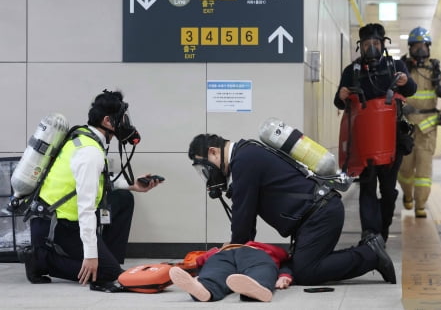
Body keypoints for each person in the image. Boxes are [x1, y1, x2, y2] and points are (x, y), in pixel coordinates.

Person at [187, 133, 397, 285]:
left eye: (204, 167)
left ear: (213, 152)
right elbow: (246, 221)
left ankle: (371, 254)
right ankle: (367, 252)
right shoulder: (247, 153)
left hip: (320, 214)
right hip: (317, 214)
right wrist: (239, 246)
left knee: (306, 272)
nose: (207, 175)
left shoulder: (243, 161)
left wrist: (232, 251)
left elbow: (243, 218)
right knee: (295, 268)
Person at [20, 89, 162, 291]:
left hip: (61, 217)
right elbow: (85, 208)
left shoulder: (84, 137)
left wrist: (133, 185)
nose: (126, 125)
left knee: (123, 198)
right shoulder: (90, 152)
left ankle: (109, 258)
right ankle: (40, 259)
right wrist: (91, 255)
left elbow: (97, 181)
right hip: (57, 224)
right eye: (122, 119)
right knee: (108, 274)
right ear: (107, 121)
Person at [334, 23, 417, 242]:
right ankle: (370, 233)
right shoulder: (351, 71)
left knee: (388, 189)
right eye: (367, 44)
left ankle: (384, 225)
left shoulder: (395, 66)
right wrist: (341, 95)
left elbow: (411, 89)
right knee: (368, 187)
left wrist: (406, 81)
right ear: (360, 46)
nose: (372, 48)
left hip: (392, 138)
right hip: (364, 141)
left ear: (383, 45)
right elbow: (340, 103)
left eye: (376, 44)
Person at [397, 26, 441, 218]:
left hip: (428, 127)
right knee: (404, 168)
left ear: (429, 47)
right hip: (406, 125)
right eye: (416, 45)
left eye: (423, 45)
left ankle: (421, 204)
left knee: (424, 168)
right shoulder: (401, 68)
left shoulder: (439, 71)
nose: (420, 49)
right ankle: (408, 194)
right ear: (410, 47)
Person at [169, 241, 292, 302]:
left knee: (261, 267)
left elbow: (285, 263)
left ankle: (258, 287)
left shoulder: (262, 247)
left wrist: (284, 275)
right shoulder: (215, 252)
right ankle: (204, 288)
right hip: (223, 255)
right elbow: (200, 265)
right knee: (215, 270)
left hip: (252, 252)